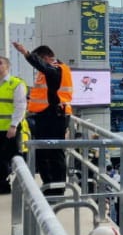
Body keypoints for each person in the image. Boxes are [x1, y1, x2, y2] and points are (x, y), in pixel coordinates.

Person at [12, 42, 73, 196]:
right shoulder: (48, 71)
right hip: (44, 116)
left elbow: (45, 68)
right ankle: (48, 185)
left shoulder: (56, 69)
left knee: (54, 152)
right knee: (43, 152)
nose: (37, 65)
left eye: (39, 60)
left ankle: (57, 189)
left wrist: (26, 53)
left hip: (54, 116)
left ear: (45, 58)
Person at [0, 56, 29, 194]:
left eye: (0, 63)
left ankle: (10, 185)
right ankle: (3, 185)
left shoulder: (15, 83)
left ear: (7, 66)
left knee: (10, 158)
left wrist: (13, 125)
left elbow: (20, 106)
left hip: (8, 128)